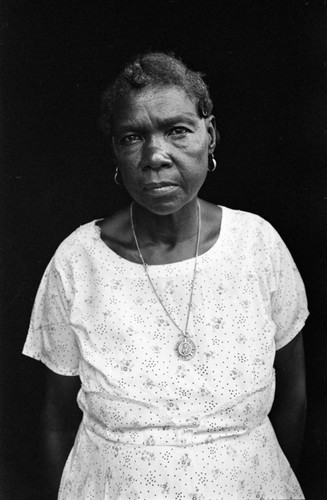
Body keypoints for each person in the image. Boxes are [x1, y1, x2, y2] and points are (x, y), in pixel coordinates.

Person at [23, 52, 309, 499]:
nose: (156, 155)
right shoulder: (78, 260)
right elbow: (56, 419)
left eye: (177, 130)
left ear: (209, 135)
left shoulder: (258, 245)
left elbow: (294, 395)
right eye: (132, 137)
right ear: (116, 151)